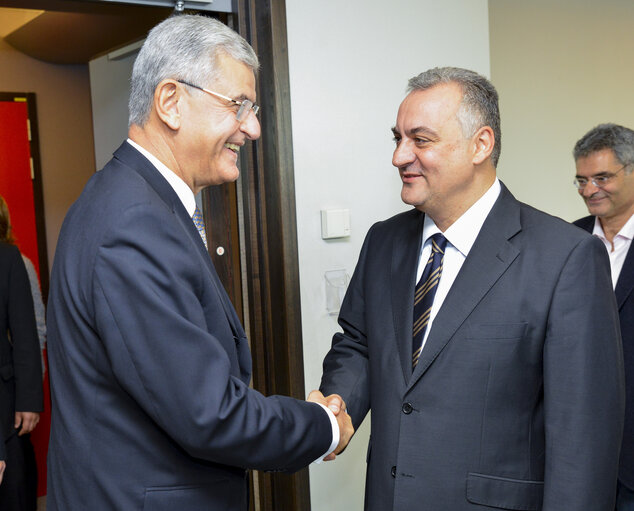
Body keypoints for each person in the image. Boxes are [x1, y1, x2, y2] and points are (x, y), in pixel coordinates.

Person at [46, 14, 352, 511]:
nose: (252, 128)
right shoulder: (134, 222)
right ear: (170, 101)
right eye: (239, 105)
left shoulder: (128, 199)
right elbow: (209, 414)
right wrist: (321, 426)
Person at [319, 67, 624, 510]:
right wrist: (338, 406)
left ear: (481, 144)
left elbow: (584, 437)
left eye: (420, 140)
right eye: (397, 138)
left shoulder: (566, 258)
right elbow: (359, 345)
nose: (400, 157)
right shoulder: (383, 242)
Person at [572, 123, 634, 510]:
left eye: (602, 177)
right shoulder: (567, 241)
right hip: (579, 449)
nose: (589, 190)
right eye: (580, 180)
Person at [0, 202, 43, 511]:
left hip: (5, 396)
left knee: (13, 488)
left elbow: (27, 333)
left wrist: (28, 399)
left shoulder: (9, 260)